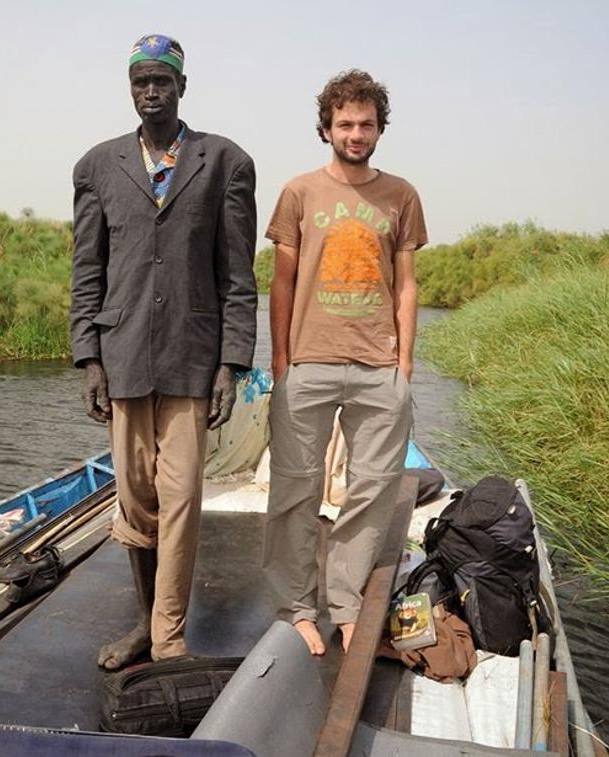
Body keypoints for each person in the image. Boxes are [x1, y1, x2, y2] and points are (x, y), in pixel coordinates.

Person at [70, 34, 257, 669]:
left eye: (163, 82)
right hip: (121, 355)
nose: (152, 91)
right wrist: (87, 355)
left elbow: (238, 275)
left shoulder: (225, 161)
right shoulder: (97, 166)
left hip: (191, 357)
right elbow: (87, 271)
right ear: (130, 88)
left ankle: (170, 636)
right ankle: (146, 626)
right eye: (141, 81)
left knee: (180, 503)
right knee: (136, 502)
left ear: (182, 86)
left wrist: (232, 363)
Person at [262, 69, 426, 655]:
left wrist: (404, 366)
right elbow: (281, 282)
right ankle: (297, 606)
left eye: (366, 124)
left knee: (374, 490)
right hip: (308, 364)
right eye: (345, 123)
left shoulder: (401, 195)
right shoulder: (300, 193)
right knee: (294, 493)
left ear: (380, 128)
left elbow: (406, 287)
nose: (356, 133)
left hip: (379, 367)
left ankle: (348, 603)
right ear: (326, 127)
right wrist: (281, 361)